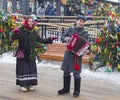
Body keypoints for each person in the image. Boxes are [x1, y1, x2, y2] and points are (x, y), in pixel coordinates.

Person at [11, 17, 57, 92]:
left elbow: (41, 40)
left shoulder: (34, 31)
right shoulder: (21, 30)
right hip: (22, 53)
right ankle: (23, 85)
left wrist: (50, 39)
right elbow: (13, 38)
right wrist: (14, 33)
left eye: (31, 21)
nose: (30, 22)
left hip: (31, 53)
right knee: (23, 69)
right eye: (29, 21)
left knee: (31, 69)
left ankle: (29, 84)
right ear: (26, 22)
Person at [58, 15, 90, 98]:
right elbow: (62, 37)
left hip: (77, 56)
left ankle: (76, 91)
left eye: (83, 22)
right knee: (66, 72)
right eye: (80, 21)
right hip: (68, 53)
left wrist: (87, 50)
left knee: (76, 74)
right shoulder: (70, 29)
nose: (81, 23)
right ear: (76, 21)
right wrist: (66, 38)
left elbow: (87, 45)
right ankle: (65, 89)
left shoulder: (85, 33)